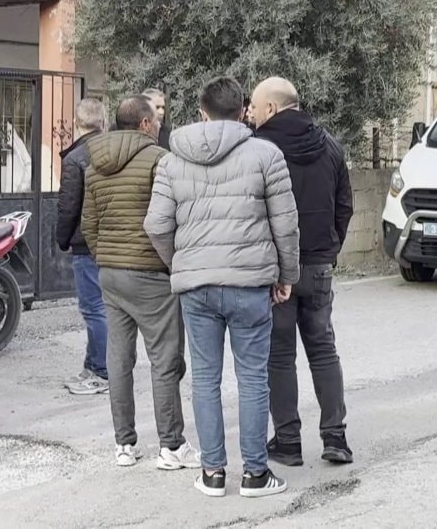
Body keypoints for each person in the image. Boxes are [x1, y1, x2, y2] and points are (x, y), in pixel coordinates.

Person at [144, 78, 300, 499]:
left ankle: (213, 472)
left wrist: (179, 262)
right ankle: (254, 474)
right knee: (252, 379)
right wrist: (287, 275)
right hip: (250, 284)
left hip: (197, 286)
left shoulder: (172, 162)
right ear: (244, 112)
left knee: (205, 379)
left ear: (202, 112)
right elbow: (285, 224)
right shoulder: (267, 155)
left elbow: (156, 224)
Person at [82, 95, 199, 470]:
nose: (161, 125)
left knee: (119, 358)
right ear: (146, 125)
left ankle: (124, 444)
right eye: (157, 120)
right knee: (164, 359)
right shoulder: (159, 160)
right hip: (151, 274)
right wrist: (170, 264)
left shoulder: (94, 163)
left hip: (111, 273)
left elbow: (90, 225)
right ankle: (171, 444)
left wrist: (106, 257)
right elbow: (171, 218)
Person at [249, 76, 354, 466]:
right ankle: (336, 437)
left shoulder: (260, 149)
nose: (251, 114)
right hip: (320, 266)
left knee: (280, 356)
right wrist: (330, 248)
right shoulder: (330, 145)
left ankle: (288, 442)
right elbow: (345, 205)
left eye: (256, 108)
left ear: (272, 109)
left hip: (278, 273)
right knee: (324, 350)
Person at [56, 98, 109, 395]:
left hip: (85, 242)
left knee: (93, 309)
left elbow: (68, 206)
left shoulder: (75, 158)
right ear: (102, 122)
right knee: (102, 308)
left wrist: (62, 239)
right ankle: (92, 364)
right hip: (111, 239)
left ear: (77, 123)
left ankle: (100, 372)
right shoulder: (111, 150)